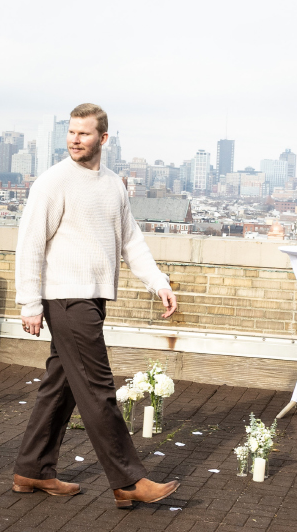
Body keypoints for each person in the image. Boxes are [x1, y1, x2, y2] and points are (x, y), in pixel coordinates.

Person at [13, 101, 181, 510]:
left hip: (92, 295)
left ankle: (32, 469)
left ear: (103, 138)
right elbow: (30, 242)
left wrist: (158, 282)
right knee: (99, 387)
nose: (75, 139)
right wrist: (29, 303)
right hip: (64, 297)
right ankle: (128, 480)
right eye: (70, 132)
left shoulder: (113, 185)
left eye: (83, 133)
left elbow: (131, 241)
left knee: (63, 383)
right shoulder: (53, 182)